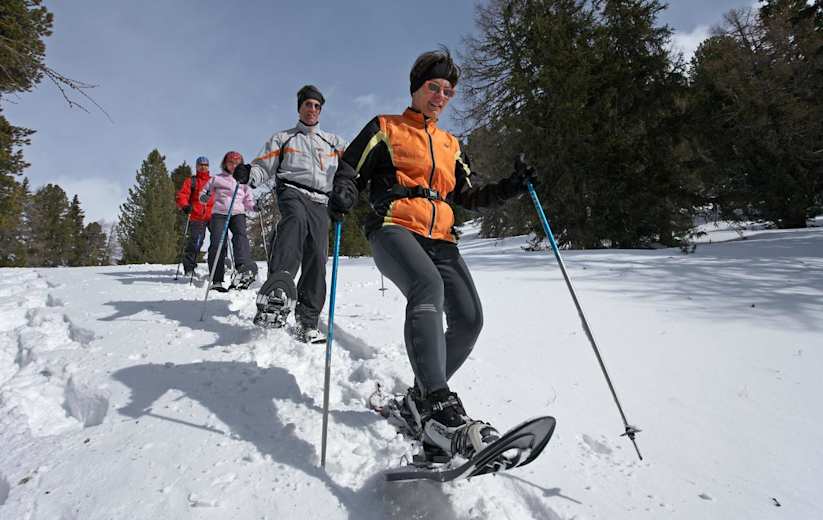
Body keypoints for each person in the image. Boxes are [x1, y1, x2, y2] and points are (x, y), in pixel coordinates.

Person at [330, 48, 537, 461]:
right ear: (416, 88)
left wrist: (511, 186)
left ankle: (420, 400)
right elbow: (350, 168)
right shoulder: (385, 127)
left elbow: (469, 195)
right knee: (427, 287)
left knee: (470, 319)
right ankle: (439, 403)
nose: (441, 96)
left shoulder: (450, 144)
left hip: (442, 237)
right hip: (393, 226)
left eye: (448, 91)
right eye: (434, 87)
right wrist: (345, 190)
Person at [232, 85, 348, 344]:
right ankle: (279, 287)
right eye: (308, 104)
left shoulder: (334, 142)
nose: (312, 109)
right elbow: (264, 166)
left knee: (317, 255)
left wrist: (347, 189)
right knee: (294, 221)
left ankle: (307, 321)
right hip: (292, 190)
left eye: (317, 106)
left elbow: (351, 168)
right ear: (299, 108)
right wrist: (249, 174)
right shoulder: (284, 138)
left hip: (321, 200)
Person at [203, 151, 258, 292]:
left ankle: (242, 267)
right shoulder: (217, 178)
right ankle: (216, 279)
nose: (234, 166)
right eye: (231, 163)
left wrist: (254, 206)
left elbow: (248, 200)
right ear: (225, 164)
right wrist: (204, 196)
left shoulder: (243, 181)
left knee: (240, 236)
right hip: (219, 214)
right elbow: (205, 190)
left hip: (237, 213)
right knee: (217, 242)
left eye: (237, 163)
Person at [175, 156, 215, 277]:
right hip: (197, 216)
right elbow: (182, 195)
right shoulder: (191, 181)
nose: (203, 167)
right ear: (197, 166)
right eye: (201, 165)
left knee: (220, 239)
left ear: (208, 167)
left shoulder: (214, 181)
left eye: (205, 165)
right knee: (196, 241)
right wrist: (185, 206)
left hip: (213, 215)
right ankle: (189, 267)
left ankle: (218, 265)